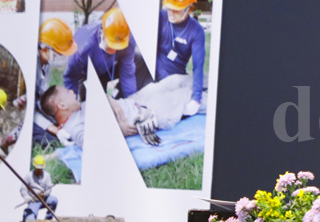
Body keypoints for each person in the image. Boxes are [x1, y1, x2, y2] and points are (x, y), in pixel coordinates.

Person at [41, 74, 204, 148]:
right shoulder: (75, 127)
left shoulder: (78, 107)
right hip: (147, 113)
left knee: (174, 80)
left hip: (136, 100)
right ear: (61, 106)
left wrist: (110, 100)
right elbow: (92, 145)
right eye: (66, 92)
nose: (71, 92)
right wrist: (116, 128)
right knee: (187, 96)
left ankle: (216, 77)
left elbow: (100, 96)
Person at [21, 18, 79, 146]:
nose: (63, 57)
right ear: (45, 49)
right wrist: (53, 129)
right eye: (60, 53)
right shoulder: (27, 69)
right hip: (19, 114)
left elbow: (40, 97)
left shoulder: (45, 64)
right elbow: (28, 109)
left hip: (33, 108)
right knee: (50, 141)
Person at [64, 8, 137, 101]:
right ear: (102, 31)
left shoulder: (127, 40)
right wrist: (72, 103)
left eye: (118, 46)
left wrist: (132, 101)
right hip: (87, 75)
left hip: (110, 69)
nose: (114, 49)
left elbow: (128, 73)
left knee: (138, 60)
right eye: (111, 44)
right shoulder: (83, 48)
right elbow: (71, 77)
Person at [157, 0, 205, 116]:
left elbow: (198, 66)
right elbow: (150, 53)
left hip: (176, 78)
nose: (171, 12)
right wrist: (162, 77)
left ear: (189, 9)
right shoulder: (160, 17)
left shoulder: (196, 31)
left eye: (176, 9)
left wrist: (196, 99)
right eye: (169, 7)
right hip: (155, 72)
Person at [20, 155, 58, 222]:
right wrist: (26, 197)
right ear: (34, 167)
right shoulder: (29, 175)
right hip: (34, 201)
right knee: (30, 220)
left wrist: (44, 194)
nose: (39, 170)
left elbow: (49, 188)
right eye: (37, 168)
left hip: (44, 199)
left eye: (40, 168)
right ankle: (27, 212)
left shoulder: (47, 175)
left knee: (54, 200)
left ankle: (48, 219)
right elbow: (23, 188)